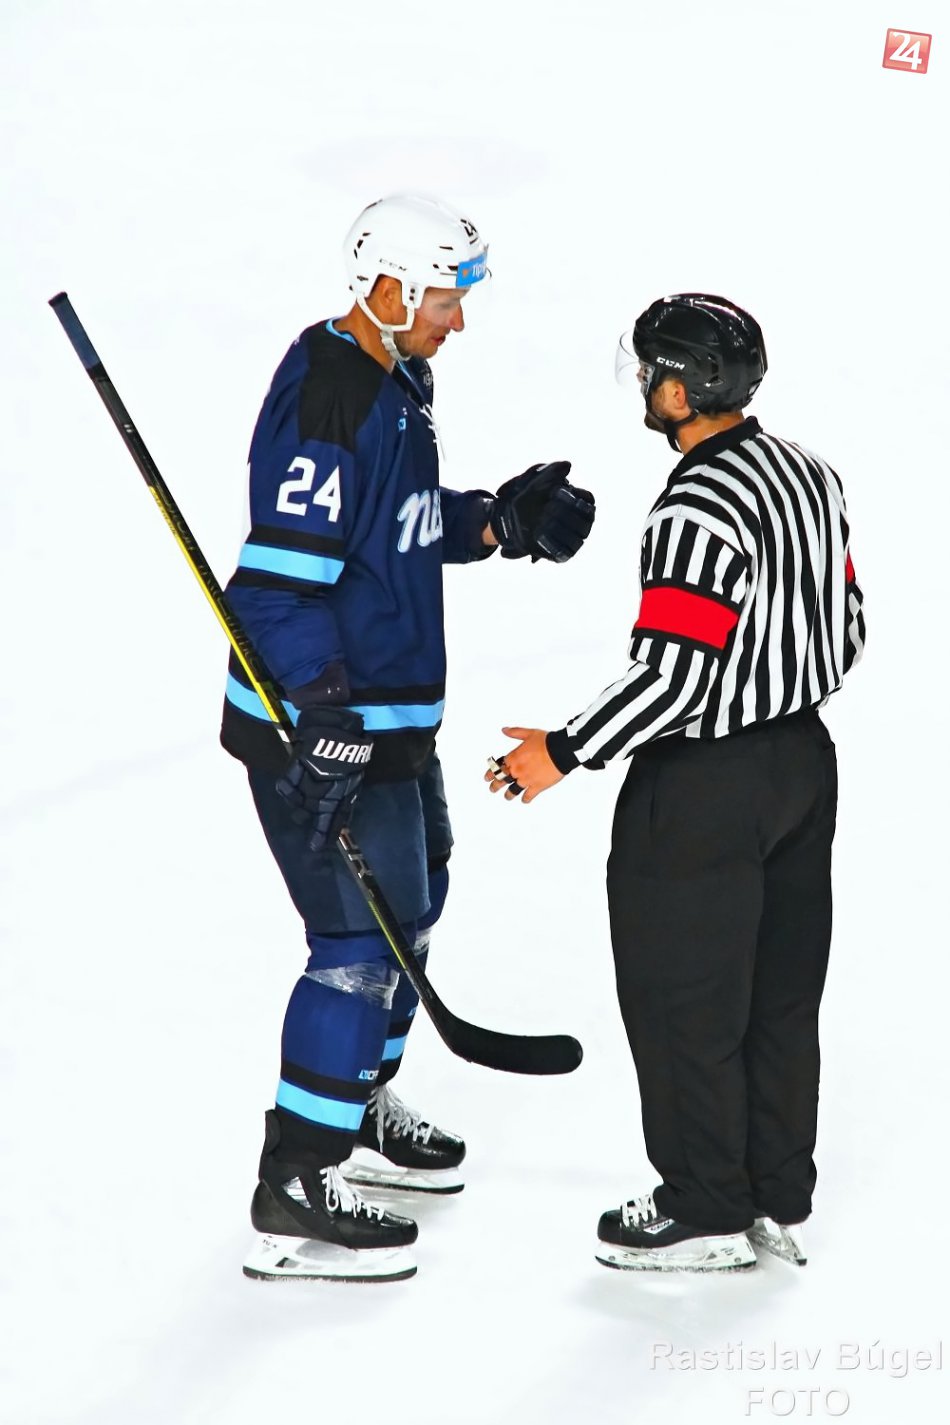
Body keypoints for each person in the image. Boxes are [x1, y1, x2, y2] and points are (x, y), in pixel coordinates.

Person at [219, 194, 595, 1283]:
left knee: (412, 908)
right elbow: (274, 586)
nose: (456, 319)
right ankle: (297, 1181)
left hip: (392, 721)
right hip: (325, 726)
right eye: (443, 298)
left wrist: (494, 523)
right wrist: (321, 712)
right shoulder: (331, 398)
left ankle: (357, 1100)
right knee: (354, 947)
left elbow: (392, 525)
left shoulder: (394, 377)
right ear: (387, 288)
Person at [488, 293, 865, 1273]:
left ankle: (703, 1207)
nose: (645, 386)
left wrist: (562, 749)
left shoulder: (693, 509)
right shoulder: (808, 474)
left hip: (704, 787)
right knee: (780, 995)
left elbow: (673, 677)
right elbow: (849, 624)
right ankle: (773, 1192)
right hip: (803, 765)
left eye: (653, 370)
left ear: (681, 390)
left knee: (682, 1000)